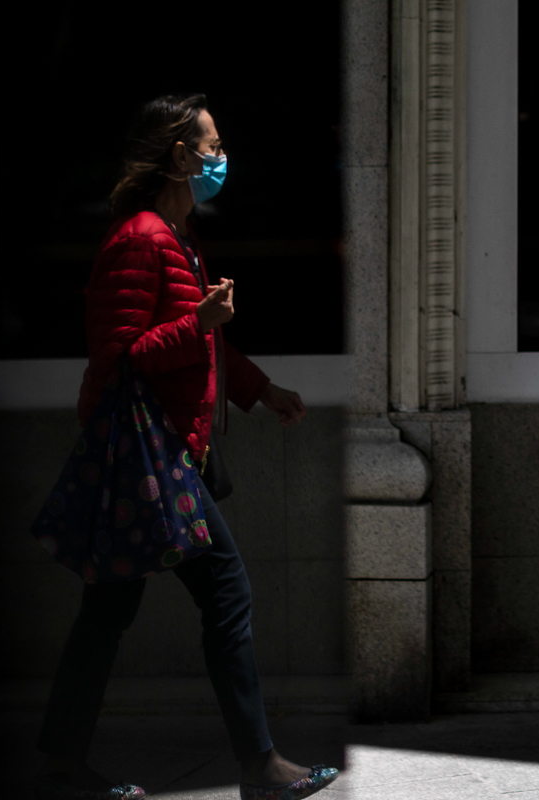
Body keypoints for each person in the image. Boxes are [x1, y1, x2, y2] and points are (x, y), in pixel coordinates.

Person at [34, 94, 338, 800]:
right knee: (226, 594)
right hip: (151, 462)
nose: (219, 159)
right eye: (211, 147)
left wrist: (258, 389)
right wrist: (199, 321)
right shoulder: (140, 238)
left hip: (170, 456)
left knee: (106, 615)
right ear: (178, 155)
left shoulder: (177, 237)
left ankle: (61, 765)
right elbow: (119, 360)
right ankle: (259, 766)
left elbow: (205, 342)